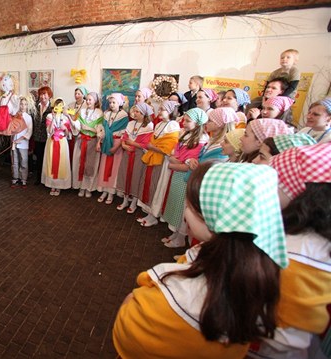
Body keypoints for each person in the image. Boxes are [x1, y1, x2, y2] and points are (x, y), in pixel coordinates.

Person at [113, 162, 287, 358]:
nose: (185, 211)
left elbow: (130, 335)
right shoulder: (259, 272)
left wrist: (131, 302)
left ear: (207, 215)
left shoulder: (186, 295)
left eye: (188, 205)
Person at [249, 142, 331, 358]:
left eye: (274, 183)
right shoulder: (312, 242)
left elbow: (286, 336)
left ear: (298, 196)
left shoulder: (299, 256)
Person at [160, 108, 209, 247]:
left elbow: (188, 162)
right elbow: (177, 154)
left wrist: (174, 161)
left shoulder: (201, 138)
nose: (184, 123)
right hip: (178, 174)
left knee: (182, 207)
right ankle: (176, 233)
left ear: (198, 123)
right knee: (176, 203)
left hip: (185, 177)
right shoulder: (186, 134)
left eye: (188, 121)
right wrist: (175, 159)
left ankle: (180, 237)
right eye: (184, 120)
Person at [137, 100, 180, 227]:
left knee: (158, 186)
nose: (159, 111)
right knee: (150, 184)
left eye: (162, 109)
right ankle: (149, 212)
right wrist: (152, 146)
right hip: (154, 157)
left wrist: (152, 147)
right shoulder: (160, 124)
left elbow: (168, 147)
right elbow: (154, 141)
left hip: (162, 161)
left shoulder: (173, 125)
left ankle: (154, 214)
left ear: (171, 111)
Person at [115, 103, 153, 213]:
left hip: (139, 155)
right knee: (125, 175)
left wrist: (132, 143)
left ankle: (134, 202)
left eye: (137, 112)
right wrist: (124, 145)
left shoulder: (148, 126)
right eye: (134, 111)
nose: (134, 113)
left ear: (143, 113)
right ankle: (125, 200)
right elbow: (124, 138)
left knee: (136, 177)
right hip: (128, 153)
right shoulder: (131, 123)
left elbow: (146, 144)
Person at [96, 93, 129, 204]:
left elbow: (124, 133)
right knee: (104, 167)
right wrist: (99, 141)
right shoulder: (107, 114)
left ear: (119, 103)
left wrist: (116, 146)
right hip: (106, 142)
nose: (111, 104)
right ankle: (104, 190)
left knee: (114, 169)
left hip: (116, 143)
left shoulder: (123, 115)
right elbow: (103, 130)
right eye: (110, 102)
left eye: (114, 102)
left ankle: (111, 192)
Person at [71, 92, 103, 198]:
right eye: (87, 99)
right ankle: (81, 186)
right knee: (80, 163)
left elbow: (100, 130)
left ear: (95, 101)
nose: (88, 102)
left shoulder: (99, 113)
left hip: (92, 142)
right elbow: (78, 125)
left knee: (90, 165)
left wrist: (89, 128)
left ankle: (89, 188)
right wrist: (71, 119)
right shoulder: (83, 111)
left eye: (90, 100)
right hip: (81, 140)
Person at [41, 99, 72, 196]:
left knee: (61, 163)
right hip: (52, 141)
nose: (59, 107)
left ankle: (59, 186)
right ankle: (52, 185)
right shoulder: (49, 116)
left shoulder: (66, 117)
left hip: (62, 142)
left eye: (61, 105)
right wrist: (53, 119)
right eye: (57, 105)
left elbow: (68, 134)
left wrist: (65, 128)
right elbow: (49, 131)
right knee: (51, 162)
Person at [32, 86, 54, 185]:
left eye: (45, 94)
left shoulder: (52, 108)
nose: (42, 96)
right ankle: (38, 179)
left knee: (47, 159)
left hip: (48, 138)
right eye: (41, 94)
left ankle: (46, 179)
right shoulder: (35, 106)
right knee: (39, 158)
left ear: (49, 95)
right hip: (37, 137)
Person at [10, 96, 33, 188]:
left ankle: (23, 179)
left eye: (25, 104)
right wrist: (13, 139)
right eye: (21, 104)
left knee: (23, 161)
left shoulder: (28, 117)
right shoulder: (15, 115)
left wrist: (20, 139)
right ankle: (15, 178)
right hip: (13, 142)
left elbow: (29, 131)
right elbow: (11, 127)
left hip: (23, 143)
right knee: (14, 161)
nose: (23, 106)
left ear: (27, 106)